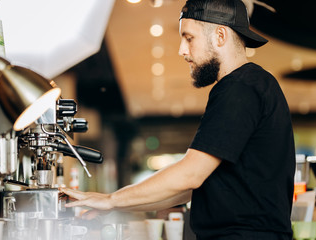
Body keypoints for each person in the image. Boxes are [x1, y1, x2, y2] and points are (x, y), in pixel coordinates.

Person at [60, 0, 296, 239]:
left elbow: (190, 174)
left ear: (220, 36)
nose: (182, 50)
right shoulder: (248, 85)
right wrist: (115, 206)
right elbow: (190, 187)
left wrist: (111, 200)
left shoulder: (241, 87)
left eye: (189, 38)